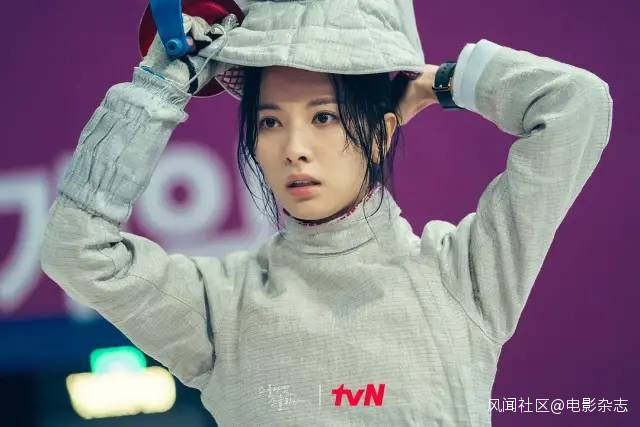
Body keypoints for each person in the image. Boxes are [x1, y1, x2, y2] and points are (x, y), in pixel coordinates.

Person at [39, 4, 613, 427]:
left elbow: (577, 106)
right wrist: (158, 87)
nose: (294, 149)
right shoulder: (223, 308)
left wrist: (444, 81)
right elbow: (76, 249)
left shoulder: (460, 276)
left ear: (381, 135)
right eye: (270, 122)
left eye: (324, 117)